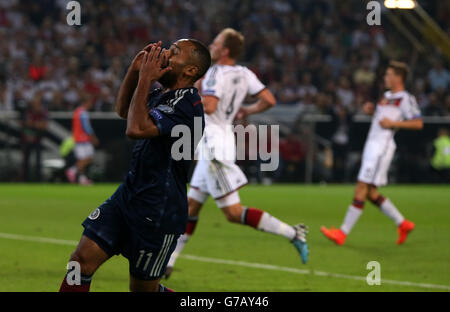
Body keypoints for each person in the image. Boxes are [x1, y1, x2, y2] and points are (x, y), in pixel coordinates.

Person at [59, 39, 211, 292]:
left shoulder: (187, 105)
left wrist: (146, 78)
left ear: (191, 71)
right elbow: (123, 110)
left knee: (142, 290)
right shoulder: (163, 94)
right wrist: (134, 70)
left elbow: (135, 128)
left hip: (158, 209)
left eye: (174, 52)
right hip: (128, 196)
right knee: (80, 262)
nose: (164, 54)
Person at [165, 28, 309, 279]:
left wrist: (187, 94)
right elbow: (269, 100)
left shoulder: (214, 73)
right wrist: (245, 111)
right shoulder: (244, 73)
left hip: (213, 147)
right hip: (223, 140)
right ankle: (168, 262)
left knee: (232, 213)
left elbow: (209, 106)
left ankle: (293, 233)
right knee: (190, 207)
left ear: (225, 50)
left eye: (217, 42)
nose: (212, 44)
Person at [321, 61, 423, 246]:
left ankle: (342, 233)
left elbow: (418, 123)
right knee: (371, 193)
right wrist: (372, 111)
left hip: (381, 147)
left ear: (398, 77)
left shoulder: (405, 98)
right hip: (372, 145)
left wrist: (393, 124)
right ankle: (403, 223)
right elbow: (382, 118)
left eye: (388, 74)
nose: (385, 77)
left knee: (361, 187)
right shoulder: (386, 96)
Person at [65, 96, 99, 185]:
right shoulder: (83, 113)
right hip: (83, 139)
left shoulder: (77, 112)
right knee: (89, 158)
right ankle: (72, 170)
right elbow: (86, 127)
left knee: (81, 160)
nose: (91, 104)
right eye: (90, 102)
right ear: (86, 102)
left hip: (77, 139)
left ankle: (82, 179)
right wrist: (93, 137)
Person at [21, 92, 48, 182]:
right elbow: (24, 124)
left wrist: (32, 124)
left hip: (37, 139)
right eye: (34, 102)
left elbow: (44, 125)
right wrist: (36, 125)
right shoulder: (27, 111)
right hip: (27, 139)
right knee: (25, 162)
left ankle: (38, 180)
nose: (36, 104)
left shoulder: (42, 112)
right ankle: (25, 180)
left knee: (38, 161)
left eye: (37, 103)